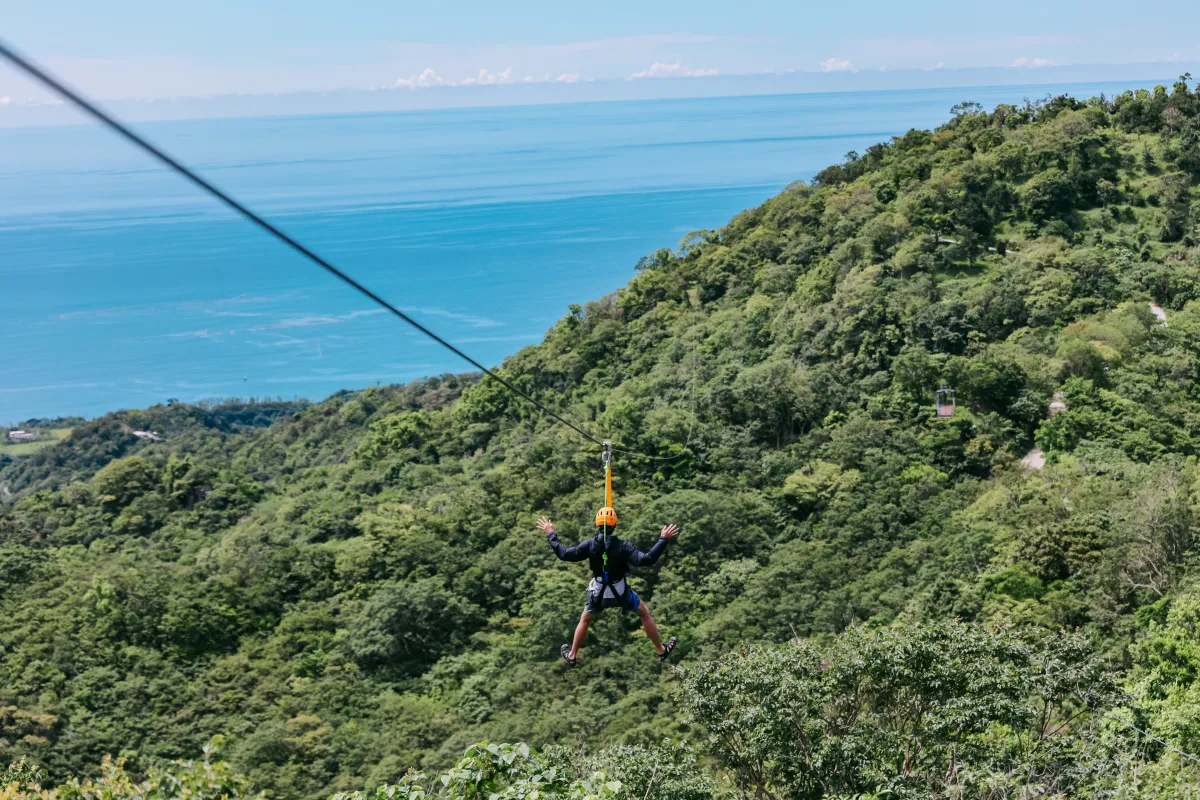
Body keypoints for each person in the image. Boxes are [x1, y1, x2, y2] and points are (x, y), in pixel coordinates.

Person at [537, 509, 679, 666]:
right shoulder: (623, 546)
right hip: (620, 592)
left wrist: (551, 533)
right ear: (615, 525)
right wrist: (663, 539)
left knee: (585, 619)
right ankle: (660, 650)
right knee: (644, 613)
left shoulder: (590, 545)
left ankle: (572, 655)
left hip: (598, 593)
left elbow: (564, 554)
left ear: (597, 524)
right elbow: (647, 559)